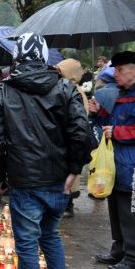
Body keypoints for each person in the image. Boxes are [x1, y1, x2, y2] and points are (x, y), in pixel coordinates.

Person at [0, 33, 91, 269]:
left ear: (17, 56)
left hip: (25, 182)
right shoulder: (64, 88)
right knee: (52, 240)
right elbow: (82, 132)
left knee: (29, 247)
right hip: (58, 181)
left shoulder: (3, 90)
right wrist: (74, 169)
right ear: (44, 56)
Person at [89, 51, 135, 269]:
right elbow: (112, 124)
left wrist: (118, 132)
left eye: (120, 69)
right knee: (116, 208)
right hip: (118, 161)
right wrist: (99, 114)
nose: (115, 73)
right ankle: (119, 249)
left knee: (130, 210)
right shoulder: (124, 92)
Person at [56, 58, 90, 217]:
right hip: (68, 138)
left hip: (71, 140)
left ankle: (67, 206)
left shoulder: (75, 91)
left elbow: (78, 121)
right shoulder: (69, 89)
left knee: (70, 175)